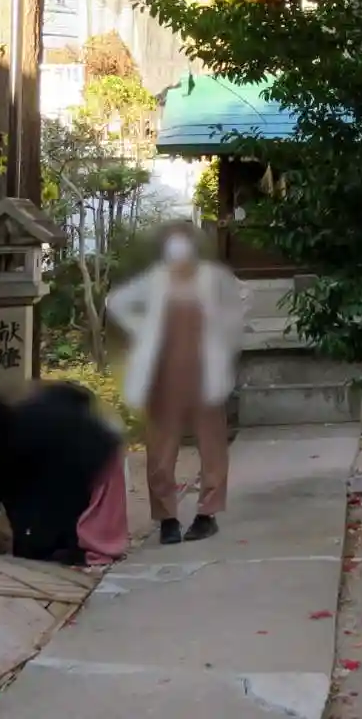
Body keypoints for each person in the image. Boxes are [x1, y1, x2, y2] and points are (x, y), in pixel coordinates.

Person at [106, 220, 248, 544]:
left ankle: (207, 514)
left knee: (212, 446)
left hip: (204, 373)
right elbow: (115, 302)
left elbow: (241, 298)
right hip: (163, 374)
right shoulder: (155, 279)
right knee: (160, 449)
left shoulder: (212, 277)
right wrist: (141, 329)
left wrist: (226, 331)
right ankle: (167, 518)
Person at [0, 381, 126, 565]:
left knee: (37, 522)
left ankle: (70, 551)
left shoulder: (30, 432)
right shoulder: (14, 429)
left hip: (93, 469)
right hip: (80, 465)